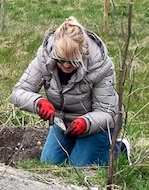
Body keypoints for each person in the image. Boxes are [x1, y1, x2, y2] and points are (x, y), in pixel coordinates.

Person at [10, 16, 121, 166]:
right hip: (63, 123)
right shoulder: (44, 57)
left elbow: (107, 112)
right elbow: (18, 92)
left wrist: (85, 123)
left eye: (73, 61)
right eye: (61, 59)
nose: (66, 66)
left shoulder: (101, 65)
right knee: (49, 164)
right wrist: (38, 103)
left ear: (83, 53)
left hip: (98, 125)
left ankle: (119, 149)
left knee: (78, 168)